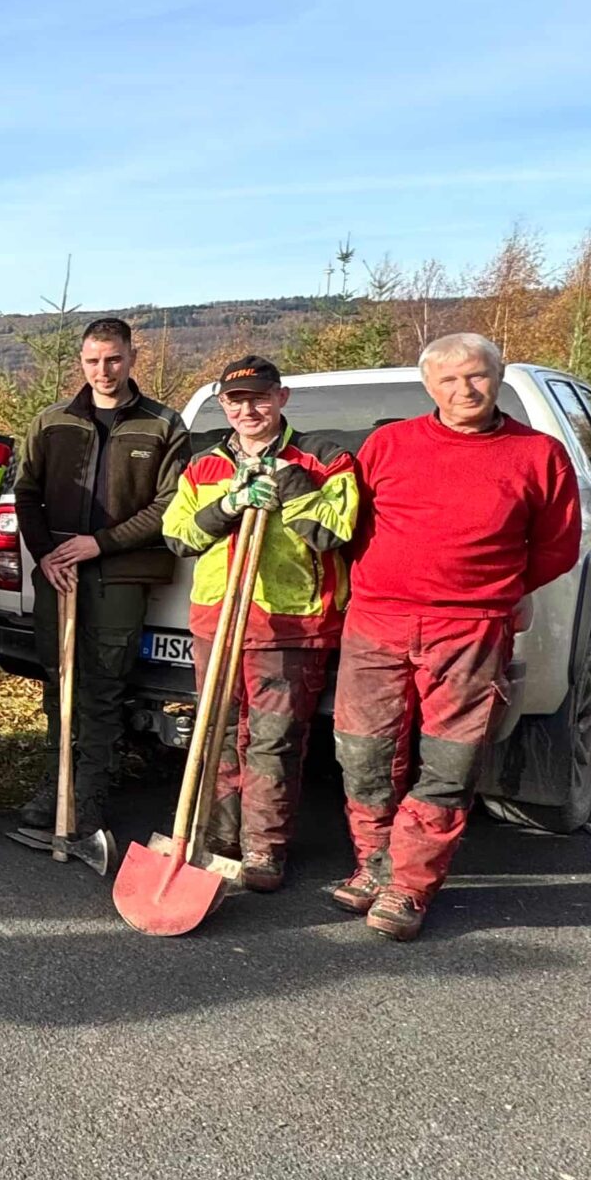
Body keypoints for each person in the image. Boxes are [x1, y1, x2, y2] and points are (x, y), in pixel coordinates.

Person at [329, 333, 579, 940]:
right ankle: (375, 863)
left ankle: (410, 887)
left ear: (498, 378)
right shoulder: (389, 444)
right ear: (428, 387)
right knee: (361, 752)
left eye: (477, 377)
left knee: (450, 762)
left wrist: (496, 590)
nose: (464, 390)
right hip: (377, 620)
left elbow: (557, 546)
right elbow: (347, 521)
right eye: (449, 380)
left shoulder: (539, 454)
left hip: (470, 628)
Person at [161, 356, 360, 893]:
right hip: (217, 618)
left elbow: (335, 532)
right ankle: (220, 839)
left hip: (289, 625)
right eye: (236, 400)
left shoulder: (324, 458)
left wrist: (290, 486)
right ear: (224, 405)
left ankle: (263, 848)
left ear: (282, 397)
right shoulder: (204, 465)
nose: (248, 409)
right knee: (218, 735)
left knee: (272, 740)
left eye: (260, 398)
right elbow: (178, 536)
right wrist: (228, 504)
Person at [8, 319, 187, 854]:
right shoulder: (52, 421)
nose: (103, 371)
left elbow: (168, 504)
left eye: (113, 359)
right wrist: (46, 557)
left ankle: (87, 796)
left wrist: (100, 544)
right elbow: (26, 493)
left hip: (119, 574)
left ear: (132, 358)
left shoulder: (161, 424)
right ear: (80, 363)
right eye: (92, 361)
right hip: (59, 573)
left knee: (104, 688)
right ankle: (54, 783)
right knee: (58, 683)